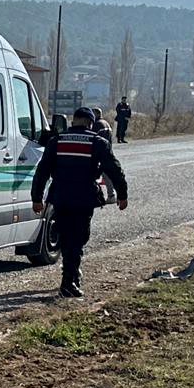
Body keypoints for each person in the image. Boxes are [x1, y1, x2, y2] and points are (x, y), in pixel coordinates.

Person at [31, 106, 129, 298]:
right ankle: (69, 282)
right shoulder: (97, 142)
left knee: (67, 238)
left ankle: (71, 276)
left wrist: (37, 198)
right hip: (83, 197)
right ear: (91, 123)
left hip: (60, 196)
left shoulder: (56, 141)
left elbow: (42, 171)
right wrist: (122, 194)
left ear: (73, 121)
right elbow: (114, 169)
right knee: (77, 239)